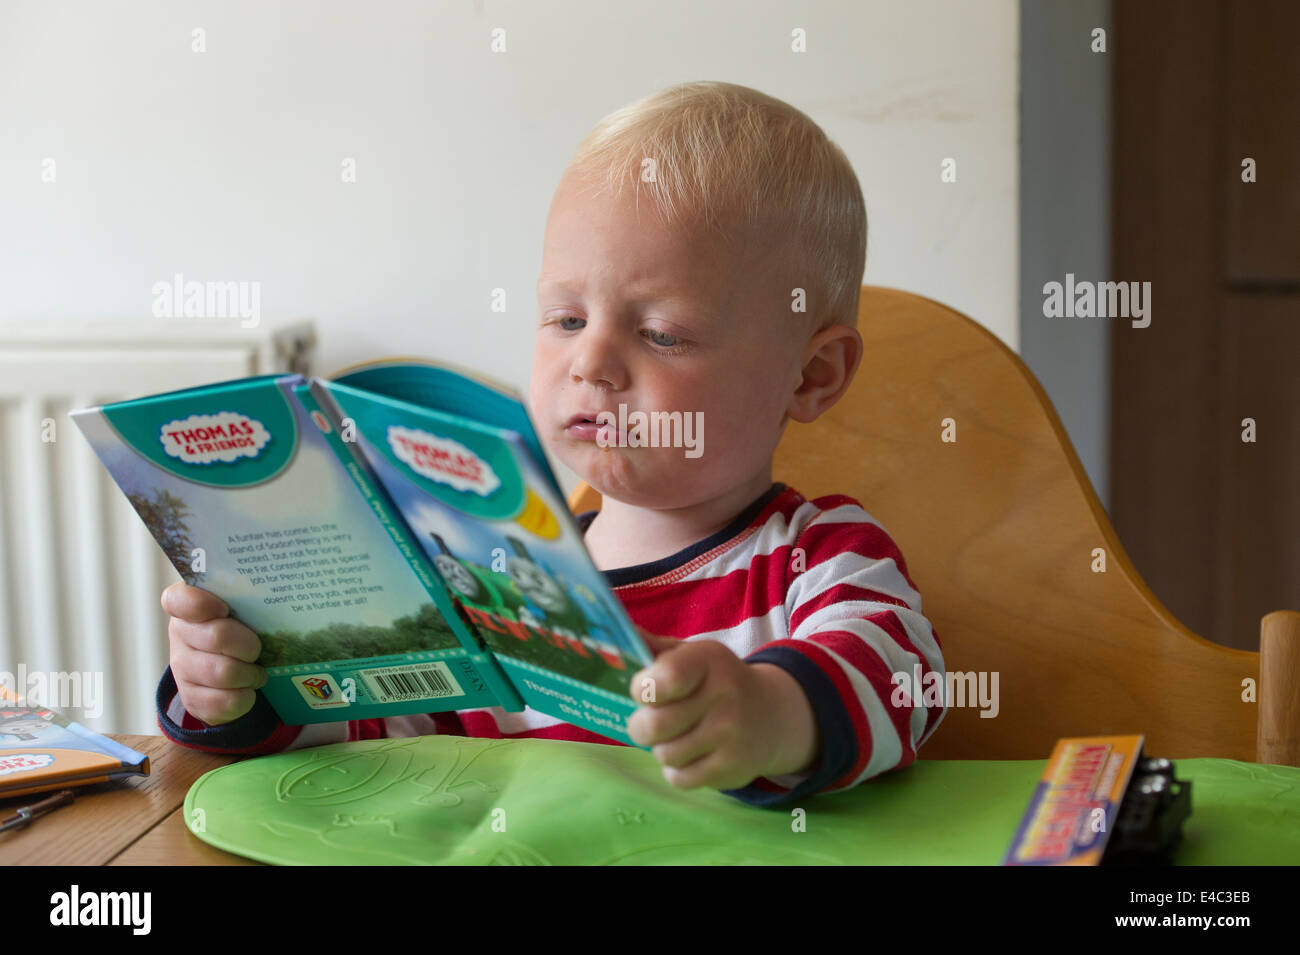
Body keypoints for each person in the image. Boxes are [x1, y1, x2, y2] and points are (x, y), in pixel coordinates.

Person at [158, 80, 947, 807]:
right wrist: (240, 686)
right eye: (567, 319)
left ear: (810, 375)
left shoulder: (820, 559)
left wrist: (768, 713)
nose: (590, 362)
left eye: (662, 333)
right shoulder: (491, 579)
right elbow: (378, 741)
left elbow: (901, 682)